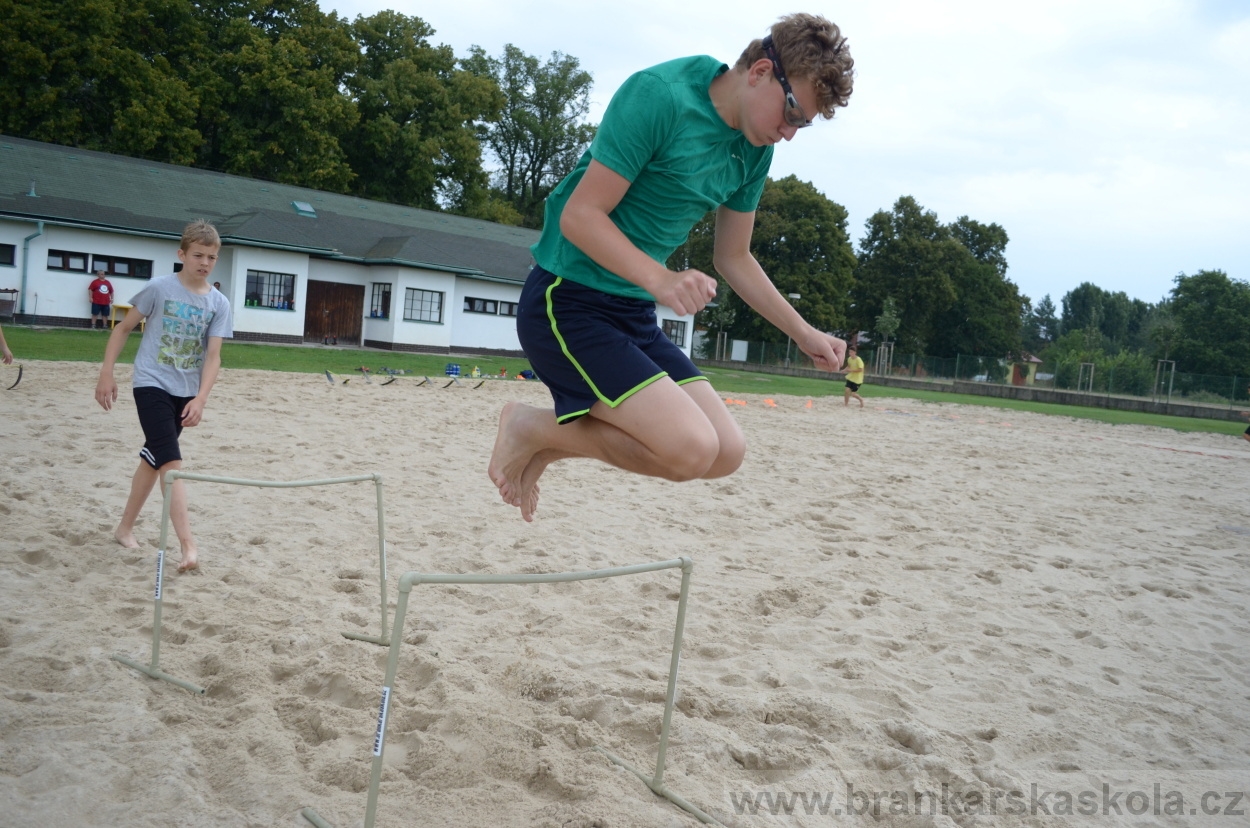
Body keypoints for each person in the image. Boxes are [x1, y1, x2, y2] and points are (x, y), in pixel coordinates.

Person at [488, 13, 854, 521]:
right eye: (792, 112)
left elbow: (734, 257)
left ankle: (548, 441)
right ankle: (533, 427)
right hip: (567, 299)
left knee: (725, 452)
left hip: (632, 313)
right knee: (687, 447)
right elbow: (579, 216)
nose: (790, 133)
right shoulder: (659, 95)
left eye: (803, 124)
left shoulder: (753, 151)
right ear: (760, 71)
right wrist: (661, 279)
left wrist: (803, 332)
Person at [94, 220, 233, 571]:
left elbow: (214, 356)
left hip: (185, 393)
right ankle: (189, 545)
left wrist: (201, 398)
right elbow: (123, 329)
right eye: (198, 255)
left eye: (212, 257)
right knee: (171, 461)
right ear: (181, 254)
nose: (205, 262)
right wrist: (107, 373)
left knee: (153, 458)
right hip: (151, 382)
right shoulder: (159, 288)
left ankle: (124, 528)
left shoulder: (219, 303)